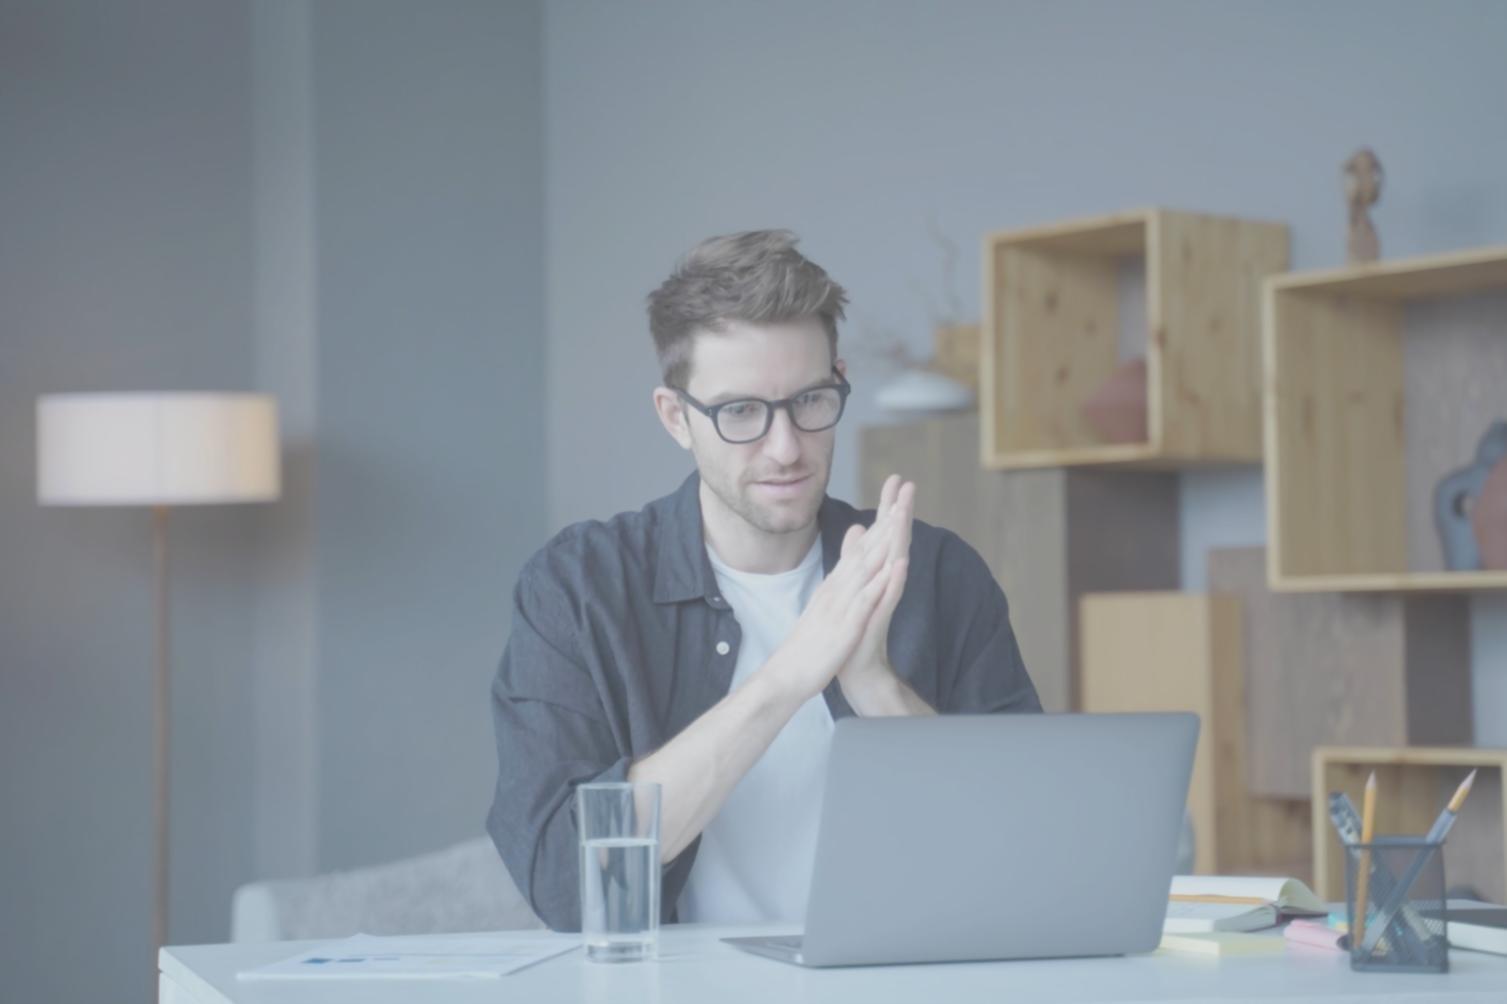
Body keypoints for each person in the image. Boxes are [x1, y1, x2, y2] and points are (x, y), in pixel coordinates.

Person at [487, 230, 1041, 932]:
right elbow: (565, 886)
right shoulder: (577, 588)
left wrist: (875, 688)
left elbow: (1021, 850)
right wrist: (784, 681)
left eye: (810, 401)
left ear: (838, 378)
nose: (786, 448)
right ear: (675, 418)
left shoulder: (937, 574)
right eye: (740, 412)